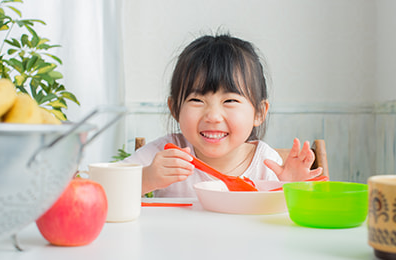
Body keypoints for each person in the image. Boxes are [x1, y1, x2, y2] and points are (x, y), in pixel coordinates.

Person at [123, 33, 322, 197]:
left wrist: (290, 189)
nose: (213, 116)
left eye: (230, 101)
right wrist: (146, 178)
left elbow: (281, 229)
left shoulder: (266, 163)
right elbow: (103, 188)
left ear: (259, 113)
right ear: (175, 109)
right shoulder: (167, 152)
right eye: (197, 101)